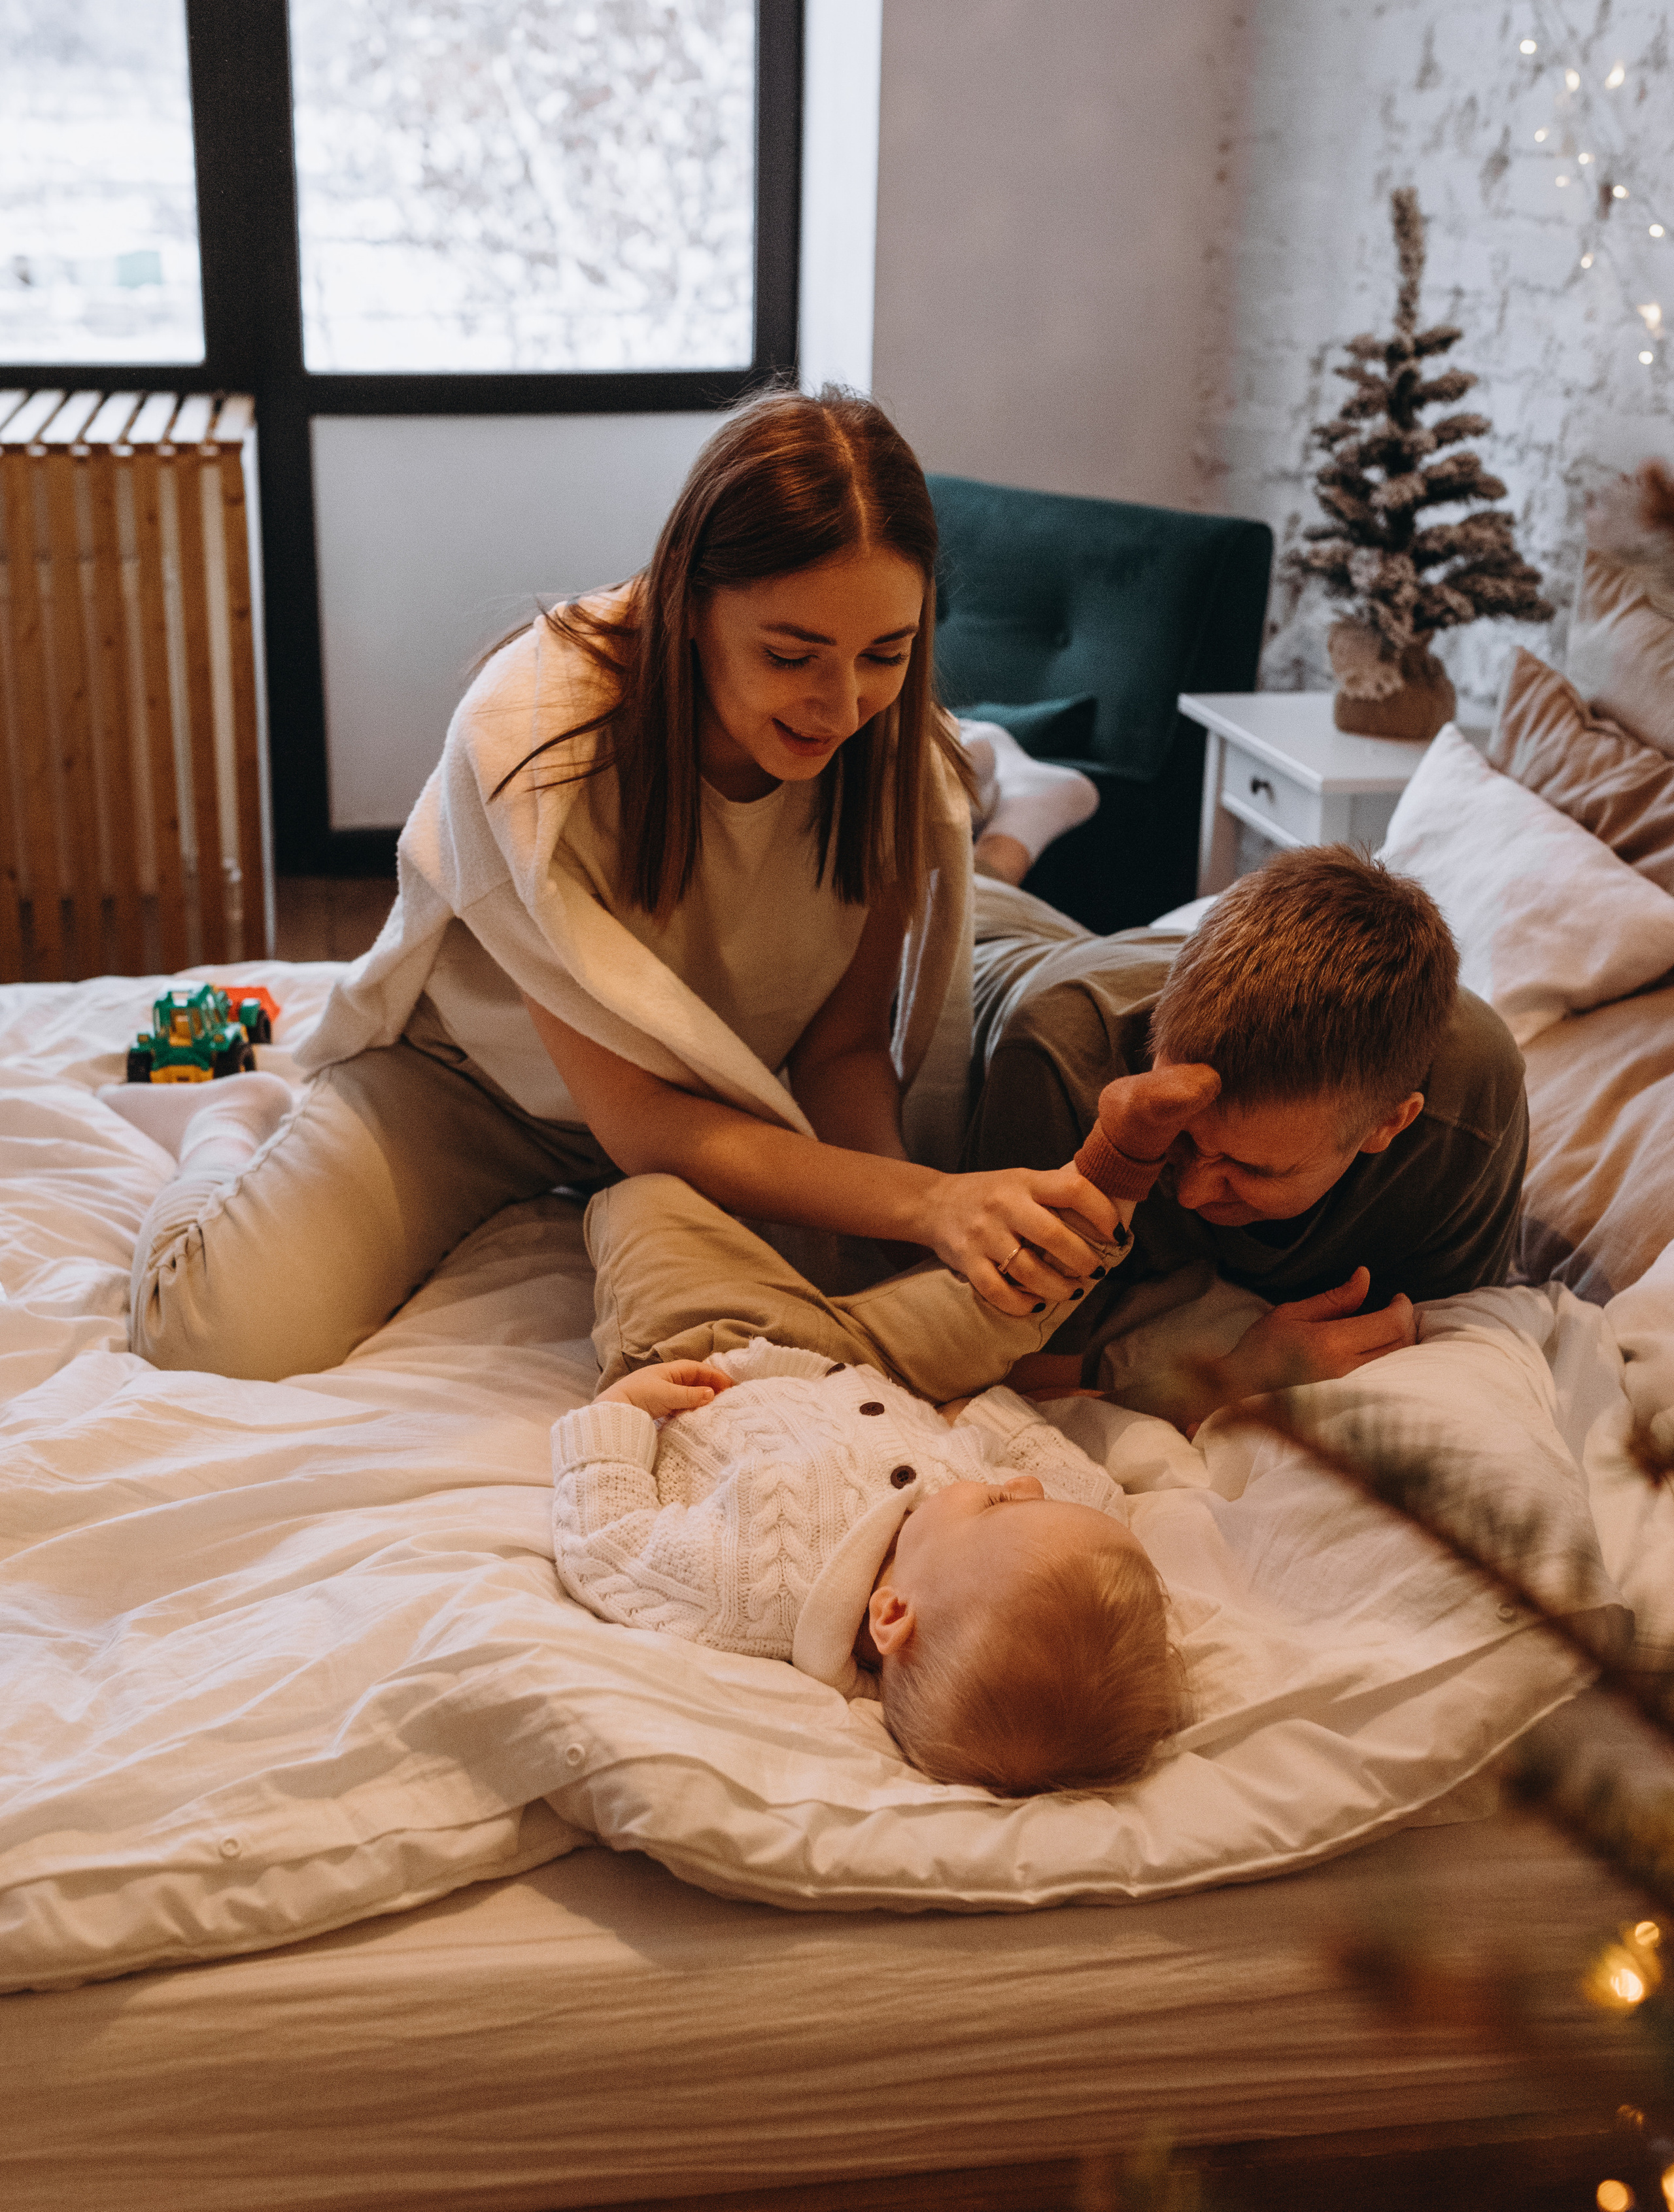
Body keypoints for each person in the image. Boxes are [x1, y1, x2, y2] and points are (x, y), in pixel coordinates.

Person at [127, 386, 1119, 1383]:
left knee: (854, 1320)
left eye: (886, 654)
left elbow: (843, 1049)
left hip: (719, 1109)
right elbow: (640, 1119)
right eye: (791, 655)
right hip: (479, 1087)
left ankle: (1014, 809)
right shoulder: (533, 741)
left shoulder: (892, 755)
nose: (840, 703)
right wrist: (925, 1202)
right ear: (689, 602)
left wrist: (910, 1223)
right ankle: (228, 1126)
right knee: (207, 1334)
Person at [553, 1064, 1220, 1796]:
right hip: (892, 1369)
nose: (1025, 1486)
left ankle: (676, 1208)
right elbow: (1074, 1482)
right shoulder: (1042, 1546)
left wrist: (621, 1412)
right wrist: (980, 1415)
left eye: (1000, 1503)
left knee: (647, 1199)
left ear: (892, 1613)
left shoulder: (750, 1593)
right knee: (1010, 1303)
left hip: (717, 1347)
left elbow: (606, 1545)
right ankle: (1117, 1165)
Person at [962, 845, 1529, 1424]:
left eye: (1252, 1169)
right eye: (1181, 1138)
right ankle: (1005, 845)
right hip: (988, 967)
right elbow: (1023, 1402)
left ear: (1389, 1123)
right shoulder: (1062, 1069)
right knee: (962, 885)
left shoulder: (1469, 1114)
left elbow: (1433, 1349)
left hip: (1099, 952)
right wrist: (1237, 1381)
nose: (1191, 1193)